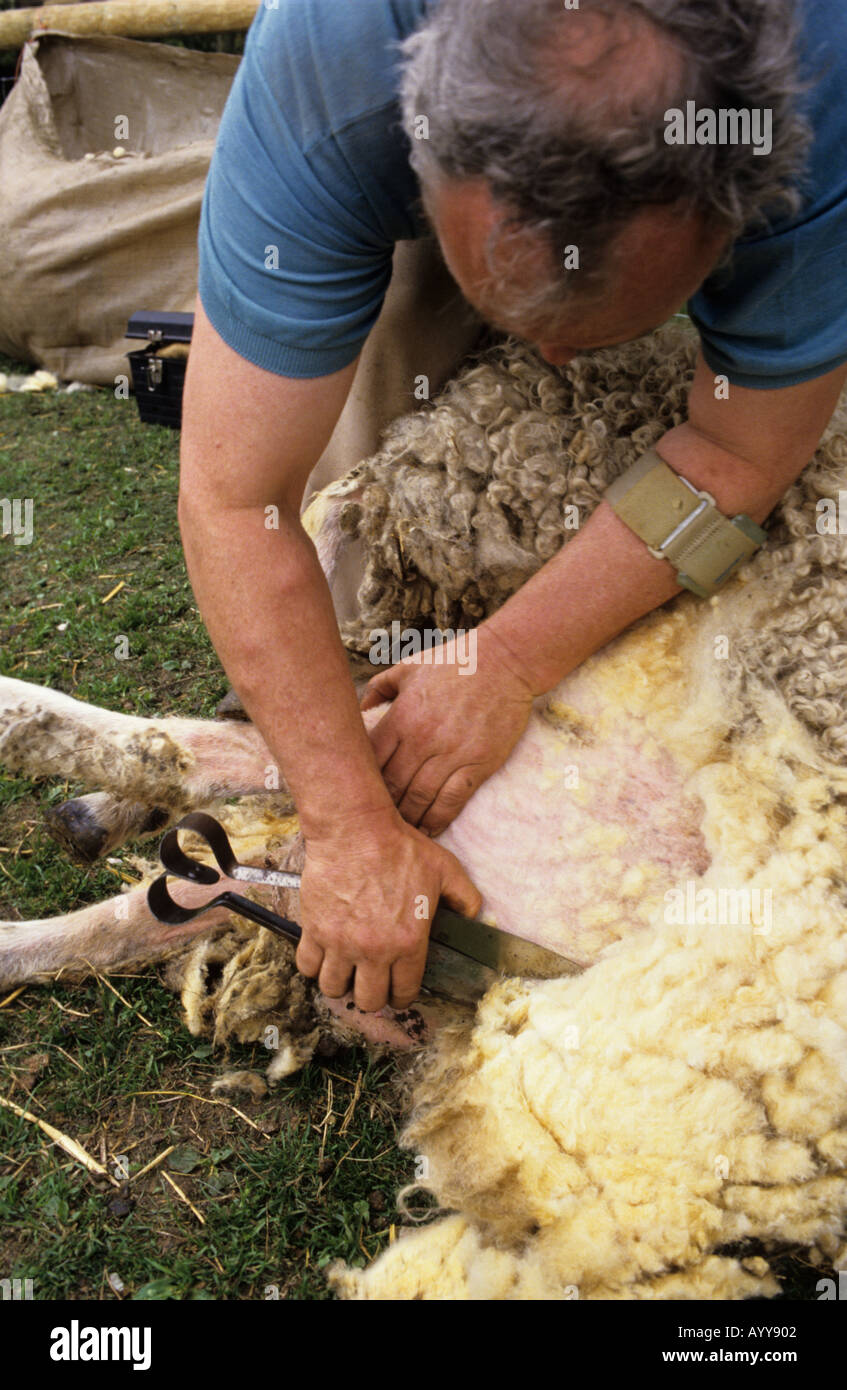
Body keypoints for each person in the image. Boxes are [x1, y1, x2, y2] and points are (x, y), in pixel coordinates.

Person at [179, 0, 847, 1013]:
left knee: (795, 489)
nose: (558, 364)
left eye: (597, 326)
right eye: (528, 322)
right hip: (371, 139)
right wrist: (351, 823)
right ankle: (311, 760)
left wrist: (510, 659)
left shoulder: (824, 90)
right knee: (364, 524)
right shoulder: (329, 62)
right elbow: (235, 499)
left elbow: (735, 450)